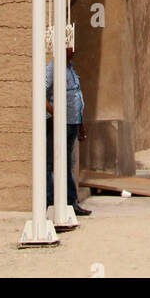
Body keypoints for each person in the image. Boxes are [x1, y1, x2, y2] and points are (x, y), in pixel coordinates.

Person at [46, 46, 91, 216]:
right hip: (59, 123)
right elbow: (40, 92)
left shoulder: (70, 69)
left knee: (67, 163)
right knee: (52, 163)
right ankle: (50, 202)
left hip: (73, 122)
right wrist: (54, 112)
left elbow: (76, 97)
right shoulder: (52, 69)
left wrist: (81, 125)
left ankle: (71, 203)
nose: (73, 49)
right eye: (68, 46)